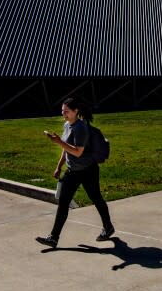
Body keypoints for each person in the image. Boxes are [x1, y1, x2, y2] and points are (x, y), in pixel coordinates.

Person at [35, 98, 115, 248]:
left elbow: (78, 152)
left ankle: (108, 227)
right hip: (72, 171)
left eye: (66, 111)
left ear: (76, 111)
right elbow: (66, 148)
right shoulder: (67, 125)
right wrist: (59, 166)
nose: (63, 113)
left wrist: (58, 142)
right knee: (63, 202)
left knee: (96, 198)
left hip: (88, 170)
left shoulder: (81, 128)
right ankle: (53, 237)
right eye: (62, 111)